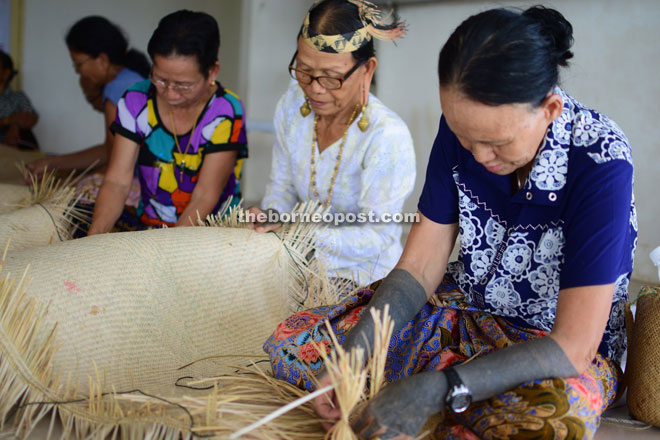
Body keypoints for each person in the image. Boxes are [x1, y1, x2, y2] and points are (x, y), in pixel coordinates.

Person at [265, 6, 636, 439]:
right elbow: (420, 267)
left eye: (496, 143)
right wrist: (354, 356)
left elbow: (574, 345)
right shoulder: (461, 125)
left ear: (550, 108)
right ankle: (453, 403)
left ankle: (443, 395)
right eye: (464, 138)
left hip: (547, 351)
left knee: (557, 418)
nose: (478, 156)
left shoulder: (600, 158)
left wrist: (436, 388)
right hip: (464, 316)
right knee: (296, 346)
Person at [250, 0, 415, 286]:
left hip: (364, 280)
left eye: (331, 78)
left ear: (367, 70)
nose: (314, 88)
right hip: (297, 262)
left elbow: (376, 235)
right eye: (303, 71)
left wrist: (297, 233)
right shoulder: (292, 105)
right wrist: (271, 217)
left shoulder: (386, 136)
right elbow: (281, 188)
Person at [87, 10, 247, 234]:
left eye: (183, 85)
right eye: (160, 79)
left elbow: (204, 196)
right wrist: (92, 242)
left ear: (212, 72)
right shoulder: (136, 100)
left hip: (211, 234)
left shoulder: (225, 111)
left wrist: (164, 253)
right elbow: (117, 181)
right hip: (151, 228)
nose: (170, 94)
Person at [26, 16, 149, 191]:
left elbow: (115, 164)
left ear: (102, 60)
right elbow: (110, 150)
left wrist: (67, 186)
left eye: (78, 63)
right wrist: (51, 163)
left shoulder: (115, 90)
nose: (78, 72)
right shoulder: (133, 79)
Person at [0, 50, 39, 149]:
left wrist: (15, 125)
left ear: (6, 73)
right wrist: (7, 120)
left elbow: (31, 118)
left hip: (12, 152)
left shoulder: (18, 97)